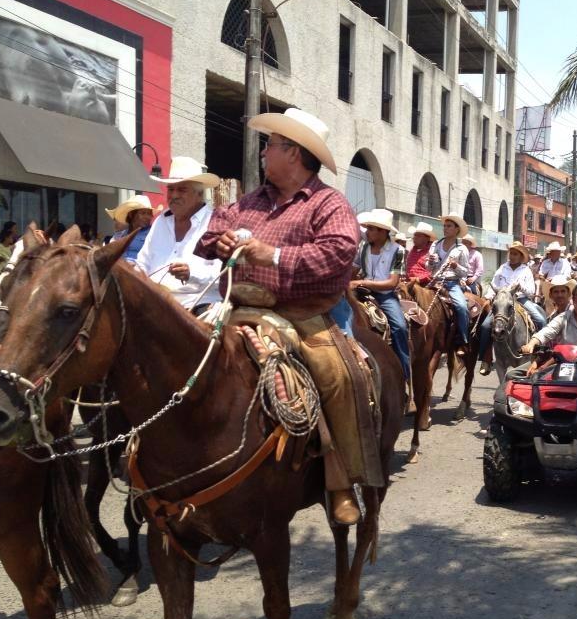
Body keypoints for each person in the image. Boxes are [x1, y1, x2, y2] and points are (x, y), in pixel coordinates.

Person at [195, 106, 379, 526]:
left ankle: (341, 481)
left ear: (293, 153)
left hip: (303, 313)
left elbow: (338, 253)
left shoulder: (328, 203)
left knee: (341, 376)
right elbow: (209, 234)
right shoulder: (250, 200)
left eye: (271, 145)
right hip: (236, 307)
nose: (264, 152)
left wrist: (272, 254)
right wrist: (219, 242)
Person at [136, 157, 223, 313]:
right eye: (170, 189)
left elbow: (223, 276)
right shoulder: (161, 221)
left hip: (199, 304)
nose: (174, 195)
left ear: (199, 194)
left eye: (182, 190)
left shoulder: (216, 224)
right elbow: (143, 263)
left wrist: (191, 274)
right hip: (157, 303)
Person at [351, 209, 410, 382]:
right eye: (367, 228)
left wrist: (361, 282)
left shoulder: (397, 250)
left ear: (383, 231)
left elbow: (392, 283)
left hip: (385, 296)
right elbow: (353, 270)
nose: (366, 232)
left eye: (371, 228)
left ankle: (405, 374)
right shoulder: (363, 247)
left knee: (399, 326)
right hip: (362, 292)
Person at [479, 241, 545, 375]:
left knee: (540, 319)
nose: (512, 256)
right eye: (511, 253)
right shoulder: (502, 268)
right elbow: (494, 285)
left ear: (521, 257)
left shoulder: (526, 270)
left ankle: (541, 355)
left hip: (521, 299)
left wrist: (521, 287)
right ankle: (485, 359)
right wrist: (488, 297)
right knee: (485, 326)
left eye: (515, 254)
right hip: (503, 301)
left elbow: (531, 291)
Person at [427, 214, 471, 352]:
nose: (445, 229)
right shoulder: (436, 244)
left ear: (457, 229)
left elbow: (465, 272)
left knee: (462, 307)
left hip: (452, 283)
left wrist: (455, 266)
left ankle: (462, 339)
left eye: (449, 226)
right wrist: (431, 262)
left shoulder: (462, 248)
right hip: (435, 281)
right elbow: (428, 267)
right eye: (444, 226)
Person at [106, 195, 154, 263]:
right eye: (143, 213)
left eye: (149, 214)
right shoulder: (120, 235)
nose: (147, 217)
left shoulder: (153, 233)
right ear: (131, 214)